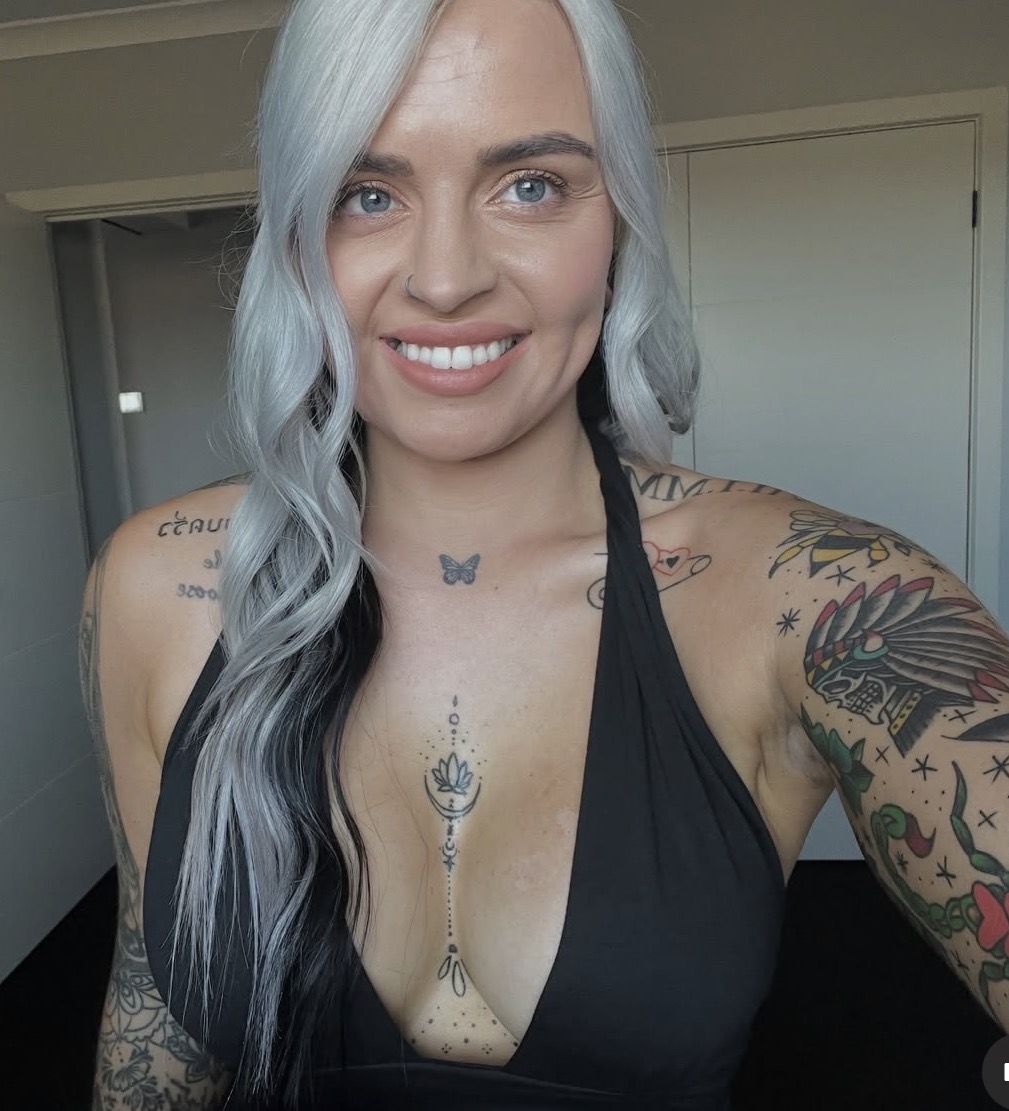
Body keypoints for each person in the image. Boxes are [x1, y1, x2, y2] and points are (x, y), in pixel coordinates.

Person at [80, 0, 1009, 1108]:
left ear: (617, 224)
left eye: (529, 185)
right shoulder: (160, 585)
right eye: (365, 194)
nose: (444, 278)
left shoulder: (822, 601)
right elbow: (151, 990)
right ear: (296, 243)